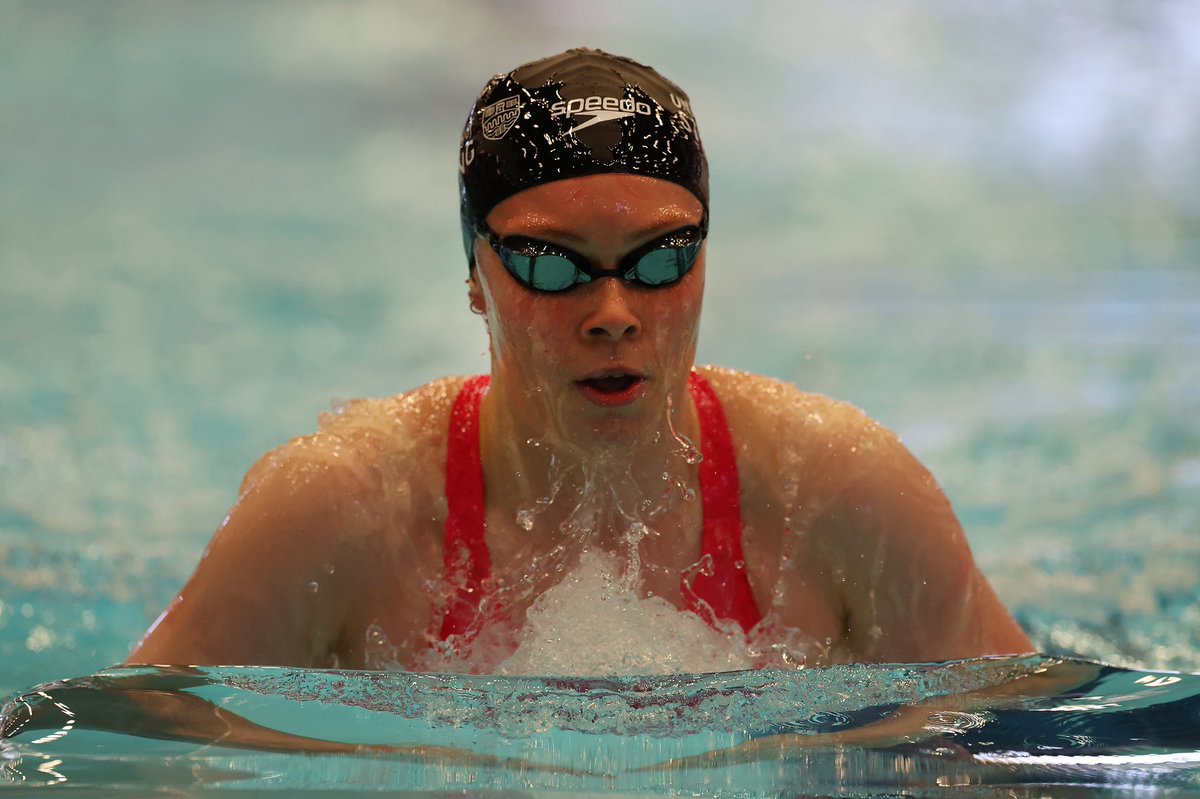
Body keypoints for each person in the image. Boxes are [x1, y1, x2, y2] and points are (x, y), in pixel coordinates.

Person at [128, 48, 1031, 673]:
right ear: (476, 275)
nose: (613, 313)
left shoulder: (832, 493)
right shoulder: (344, 512)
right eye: (551, 265)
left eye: (662, 260)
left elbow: (1034, 751)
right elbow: (114, 756)